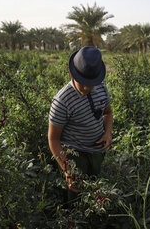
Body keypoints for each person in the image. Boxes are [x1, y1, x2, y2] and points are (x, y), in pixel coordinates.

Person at [48, 46, 113, 202]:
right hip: (75, 156)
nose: (86, 87)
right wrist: (68, 170)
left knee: (95, 191)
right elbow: (53, 139)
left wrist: (107, 133)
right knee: (76, 196)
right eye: (82, 82)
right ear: (71, 74)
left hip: (97, 151)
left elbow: (107, 113)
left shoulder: (101, 87)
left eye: (91, 83)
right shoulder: (62, 101)